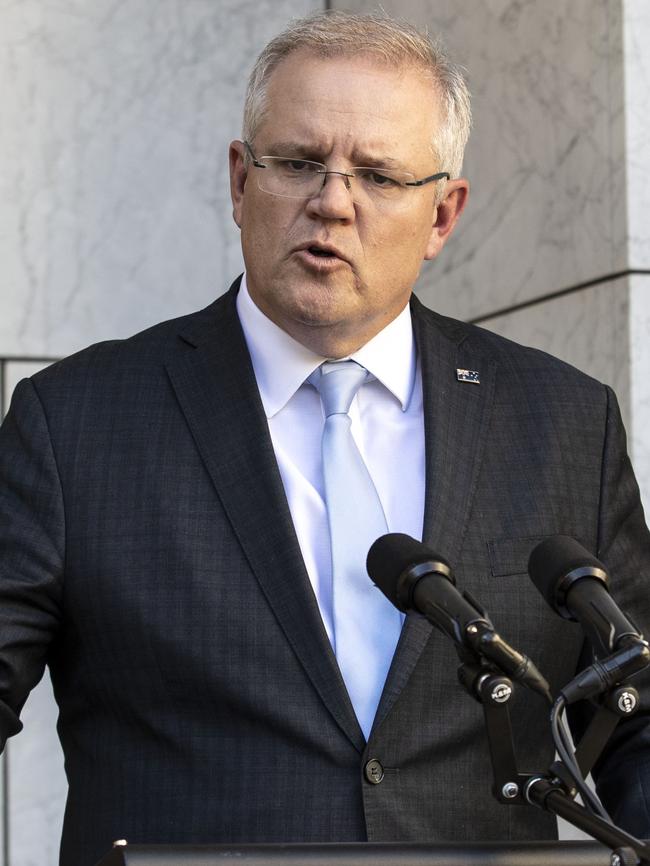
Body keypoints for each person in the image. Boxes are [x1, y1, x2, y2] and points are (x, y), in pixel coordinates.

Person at [1, 11, 650, 866]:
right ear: (240, 182)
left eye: (379, 175)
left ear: (442, 215)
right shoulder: (78, 419)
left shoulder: (560, 420)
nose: (332, 202)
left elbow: (634, 722)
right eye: (300, 162)